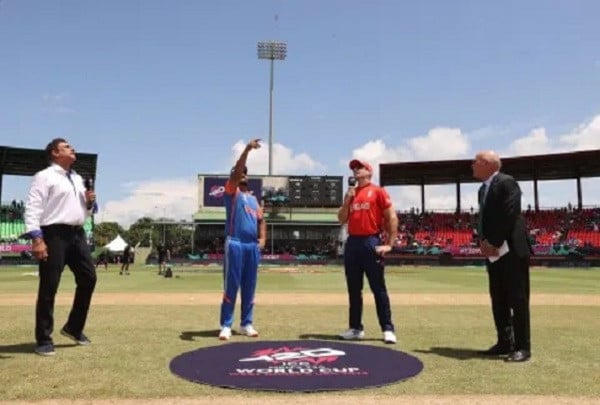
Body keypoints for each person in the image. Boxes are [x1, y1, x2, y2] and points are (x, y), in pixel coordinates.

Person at [24, 138, 98, 356]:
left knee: (89, 278)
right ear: (55, 153)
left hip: (77, 233)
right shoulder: (44, 176)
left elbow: (88, 211)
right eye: (66, 147)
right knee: (49, 286)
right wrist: (37, 239)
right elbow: (33, 207)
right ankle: (44, 338)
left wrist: (91, 201)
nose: (72, 149)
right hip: (54, 234)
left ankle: (73, 327)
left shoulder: (77, 178)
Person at [472, 150, 532, 362]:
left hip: (511, 249)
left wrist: (493, 242)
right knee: (498, 298)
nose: (472, 165)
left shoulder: (507, 182)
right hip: (493, 252)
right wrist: (482, 242)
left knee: (518, 298)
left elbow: (510, 212)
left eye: (476, 162)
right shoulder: (482, 190)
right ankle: (504, 342)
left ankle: (523, 347)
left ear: (487, 163)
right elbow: (483, 220)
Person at [337, 159, 399, 344]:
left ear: (369, 172)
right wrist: (347, 201)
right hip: (353, 242)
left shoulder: (378, 191)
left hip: (371, 240)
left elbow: (392, 217)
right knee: (354, 289)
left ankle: (387, 328)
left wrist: (390, 244)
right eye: (354, 169)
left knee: (378, 288)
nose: (355, 171)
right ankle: (355, 327)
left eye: (359, 168)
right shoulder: (351, 193)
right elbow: (341, 219)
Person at [218, 138, 266, 340]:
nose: (243, 174)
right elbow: (237, 172)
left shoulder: (254, 199)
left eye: (245, 171)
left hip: (251, 246)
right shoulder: (231, 192)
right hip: (235, 242)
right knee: (232, 285)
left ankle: (246, 323)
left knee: (250, 285)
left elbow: (261, 220)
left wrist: (262, 240)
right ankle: (226, 325)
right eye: (239, 172)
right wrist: (247, 149)